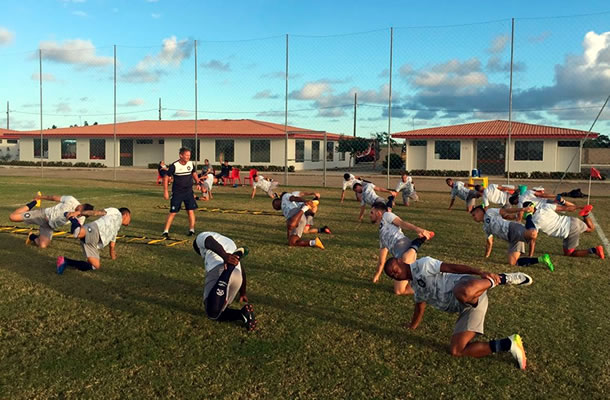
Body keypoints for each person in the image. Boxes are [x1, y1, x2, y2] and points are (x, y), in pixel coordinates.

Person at [383, 255, 532, 369]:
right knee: (456, 350)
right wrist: (412, 326)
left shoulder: (423, 264)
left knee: (460, 291)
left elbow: (453, 268)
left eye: (395, 270)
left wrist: (480, 272)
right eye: (392, 275)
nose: (395, 275)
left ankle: (501, 278)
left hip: (468, 286)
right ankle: (509, 344)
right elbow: (419, 307)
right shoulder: (416, 287)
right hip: (468, 307)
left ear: (401, 262)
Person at [193, 231, 256, 331]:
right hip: (237, 276)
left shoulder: (201, 237)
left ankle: (240, 314)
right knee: (221, 309)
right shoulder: (230, 242)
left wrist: (224, 256)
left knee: (212, 312)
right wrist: (243, 292)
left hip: (219, 270)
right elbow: (242, 270)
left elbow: (209, 241)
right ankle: (244, 314)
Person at [369, 202, 434, 295]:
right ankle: (429, 284)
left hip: (404, 247)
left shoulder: (386, 215)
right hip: (399, 257)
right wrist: (377, 275)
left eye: (372, 212)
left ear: (378, 212)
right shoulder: (381, 235)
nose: (370, 215)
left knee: (399, 290)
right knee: (399, 290)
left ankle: (417, 243)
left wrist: (418, 229)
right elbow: (381, 260)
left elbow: (401, 223)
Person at [470, 206, 554, 270]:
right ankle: (542, 259)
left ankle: (529, 215)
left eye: (474, 215)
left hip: (512, 228)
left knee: (533, 234)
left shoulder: (489, 212)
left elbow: (506, 210)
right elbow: (489, 242)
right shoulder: (485, 227)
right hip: (511, 239)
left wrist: (523, 209)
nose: (474, 218)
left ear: (479, 211)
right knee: (512, 263)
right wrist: (486, 256)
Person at [56, 207, 131, 274]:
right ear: (126, 215)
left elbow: (112, 244)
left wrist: (113, 256)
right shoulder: (115, 211)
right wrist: (79, 213)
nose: (129, 223)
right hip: (95, 229)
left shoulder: (117, 227)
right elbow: (97, 212)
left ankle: (65, 261)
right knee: (77, 232)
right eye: (130, 218)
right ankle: (72, 218)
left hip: (94, 243)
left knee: (95, 266)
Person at [518, 201, 604, 259]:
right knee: (590, 229)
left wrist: (530, 256)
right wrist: (580, 207)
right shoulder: (545, 206)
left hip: (569, 230)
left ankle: (595, 250)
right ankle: (586, 215)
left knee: (569, 254)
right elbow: (566, 208)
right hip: (572, 220)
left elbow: (533, 240)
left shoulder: (534, 221)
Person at [9, 193, 94, 249]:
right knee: (12, 217)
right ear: (82, 205)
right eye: (80, 211)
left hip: (49, 226)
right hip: (42, 215)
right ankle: (33, 203)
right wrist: (40, 197)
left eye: (82, 214)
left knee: (42, 245)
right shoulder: (71, 200)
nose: (79, 214)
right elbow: (53, 198)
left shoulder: (81, 217)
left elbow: (78, 231)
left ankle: (32, 236)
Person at [162, 147, 201, 238]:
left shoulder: (191, 164)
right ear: (181, 155)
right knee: (173, 212)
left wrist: (198, 183)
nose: (188, 157)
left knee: (190, 211)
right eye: (186, 155)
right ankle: (165, 231)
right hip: (177, 193)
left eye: (189, 155)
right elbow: (166, 177)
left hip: (188, 192)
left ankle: (191, 230)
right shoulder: (174, 166)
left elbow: (194, 173)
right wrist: (165, 191)